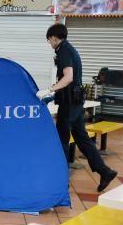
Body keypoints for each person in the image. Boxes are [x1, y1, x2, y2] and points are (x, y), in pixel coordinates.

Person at [37, 23, 117, 192]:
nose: (50, 44)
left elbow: (68, 78)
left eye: (49, 40)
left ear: (53, 37)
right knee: (82, 139)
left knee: (62, 141)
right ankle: (105, 171)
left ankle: (60, 181)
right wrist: (53, 95)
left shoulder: (64, 50)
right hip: (75, 103)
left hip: (69, 105)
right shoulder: (69, 49)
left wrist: (49, 89)